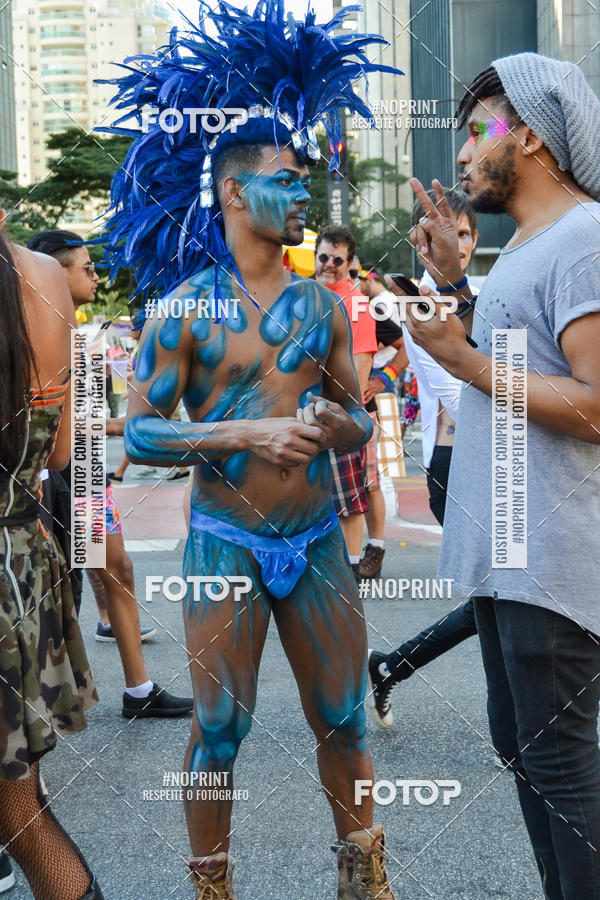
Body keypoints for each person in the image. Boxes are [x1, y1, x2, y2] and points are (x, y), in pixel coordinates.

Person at [98, 2, 402, 896]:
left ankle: (364, 874)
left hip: (313, 541)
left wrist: (331, 425)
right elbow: (140, 430)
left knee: (343, 719)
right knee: (220, 727)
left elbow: (361, 413)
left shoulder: (318, 304)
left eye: (306, 181)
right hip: (222, 539)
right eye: (286, 179)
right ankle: (211, 885)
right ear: (235, 193)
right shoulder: (187, 306)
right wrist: (247, 429)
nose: (304, 193)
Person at [391, 53, 600, 898]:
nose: (465, 154)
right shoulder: (534, 245)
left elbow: (592, 403)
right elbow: (522, 359)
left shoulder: (585, 239)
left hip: (552, 555)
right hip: (511, 547)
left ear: (540, 140)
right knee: (523, 746)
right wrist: (451, 284)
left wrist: (463, 362)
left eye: (482, 130)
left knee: (558, 756)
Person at [27, 230, 193, 718]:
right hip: (48, 474)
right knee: (59, 586)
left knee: (113, 568)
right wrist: (127, 424)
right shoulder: (41, 328)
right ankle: (40, 706)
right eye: (85, 267)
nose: (96, 276)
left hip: (81, 468)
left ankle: (137, 691)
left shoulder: (81, 334)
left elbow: (77, 420)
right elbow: (55, 421)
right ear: (55, 273)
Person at [0, 224, 103, 898]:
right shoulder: (44, 274)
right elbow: (63, 455)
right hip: (22, 553)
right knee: (19, 810)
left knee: (20, 818)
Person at [368, 190, 482, 728]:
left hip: (486, 458)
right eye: (439, 235)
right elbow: (459, 386)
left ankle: (392, 665)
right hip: (457, 463)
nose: (452, 245)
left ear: (475, 240)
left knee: (502, 600)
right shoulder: (420, 302)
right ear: (420, 244)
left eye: (461, 233)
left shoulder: (479, 294)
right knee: (506, 598)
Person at [314, 226, 378, 580]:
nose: (329, 265)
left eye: (338, 260)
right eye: (324, 257)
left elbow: (362, 363)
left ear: (350, 263)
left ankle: (349, 572)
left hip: (340, 419)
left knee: (349, 503)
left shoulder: (355, 303)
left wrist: (344, 416)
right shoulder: (306, 295)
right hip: (307, 416)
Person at [358, 268, 409, 578]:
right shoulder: (325, 304)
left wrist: (381, 379)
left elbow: (406, 348)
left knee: (374, 479)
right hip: (338, 406)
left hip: (372, 401)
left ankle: (375, 548)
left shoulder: (373, 307)